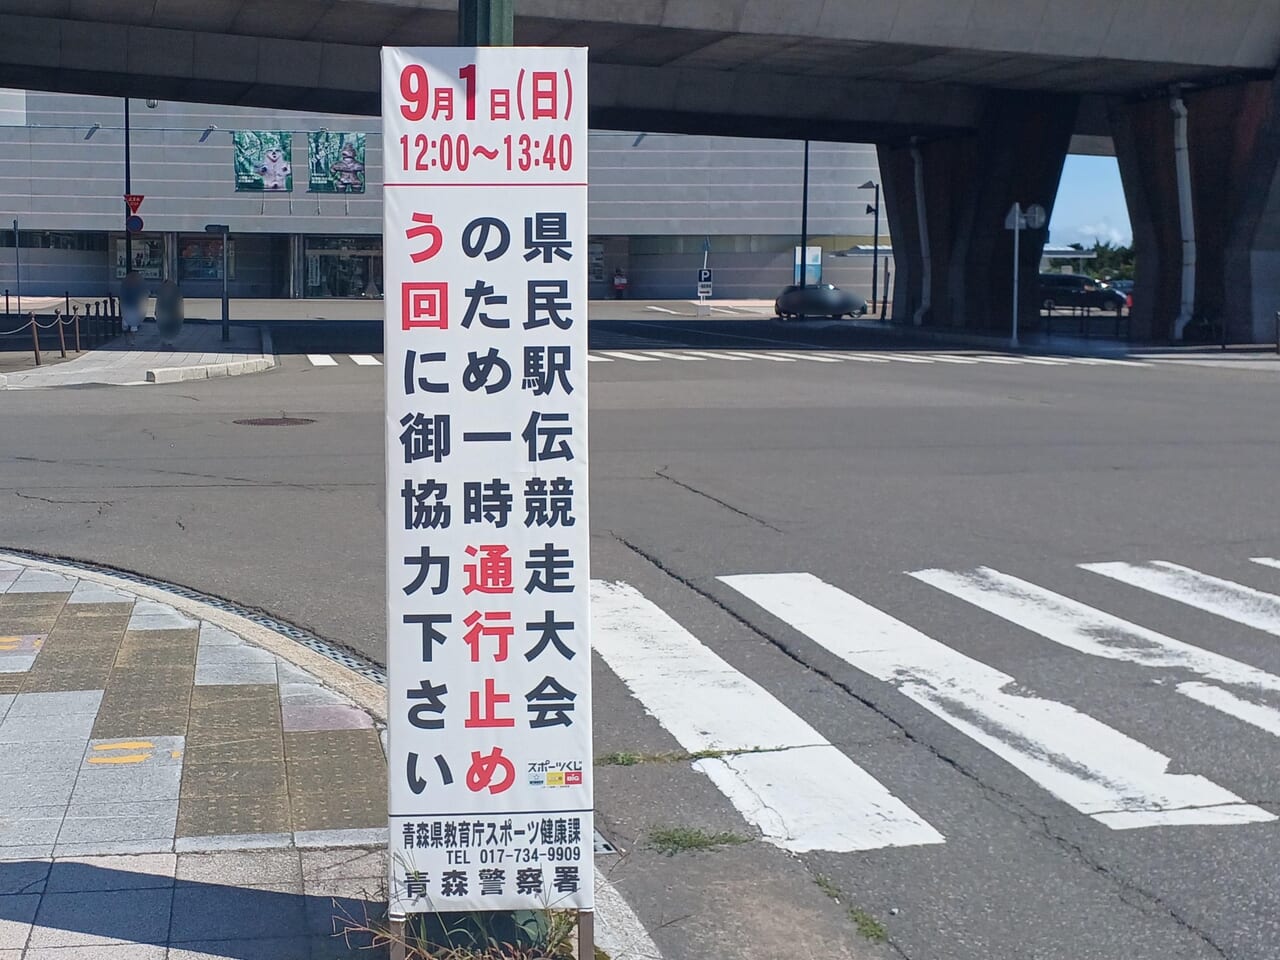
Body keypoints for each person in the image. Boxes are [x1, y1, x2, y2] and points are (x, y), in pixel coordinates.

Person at [120, 270, 146, 346]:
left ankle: (132, 340)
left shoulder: (138, 285)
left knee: (133, 326)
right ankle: (127, 338)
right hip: (126, 307)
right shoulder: (125, 285)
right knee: (125, 325)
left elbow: (144, 293)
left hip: (135, 307)